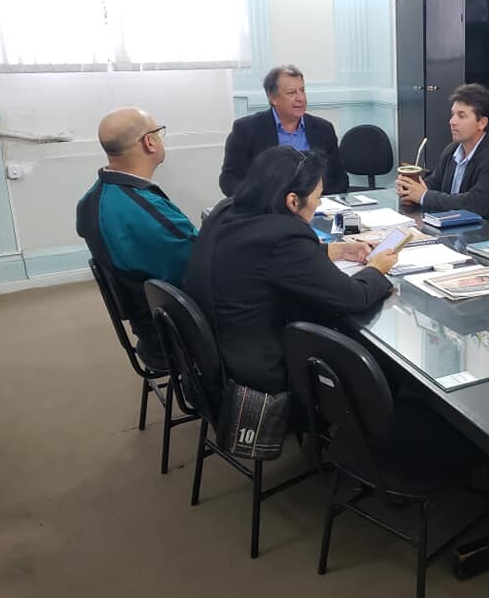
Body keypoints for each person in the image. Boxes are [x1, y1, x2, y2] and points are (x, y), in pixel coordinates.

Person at [185, 146, 397, 396]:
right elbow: (353, 297)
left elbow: (269, 258)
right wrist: (376, 268)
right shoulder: (284, 236)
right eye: (317, 197)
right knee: (374, 363)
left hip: (212, 358)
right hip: (257, 377)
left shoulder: (228, 209)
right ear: (293, 201)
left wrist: (337, 250)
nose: (318, 204)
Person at [77, 107, 198, 368]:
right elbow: (202, 266)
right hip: (177, 336)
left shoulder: (90, 200)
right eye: (159, 132)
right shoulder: (144, 212)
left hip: (147, 327)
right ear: (149, 142)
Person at [219, 64, 349, 197]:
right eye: (292, 93)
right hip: (267, 205)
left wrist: (314, 200)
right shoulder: (246, 129)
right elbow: (229, 180)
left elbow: (339, 179)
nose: (300, 98)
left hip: (314, 204)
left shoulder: (323, 128)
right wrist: (260, 200)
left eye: (302, 90)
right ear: (273, 98)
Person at [395, 83, 489, 222]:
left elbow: (474, 205)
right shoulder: (452, 150)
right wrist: (410, 189)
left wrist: (423, 196)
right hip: (453, 226)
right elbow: (434, 183)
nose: (452, 121)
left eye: (461, 116)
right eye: (453, 114)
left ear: (482, 123)